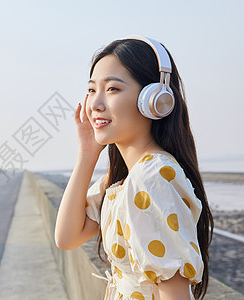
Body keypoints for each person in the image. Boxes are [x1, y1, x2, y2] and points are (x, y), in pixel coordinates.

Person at [54, 36, 214, 300]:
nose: (95, 104)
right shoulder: (126, 180)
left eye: (113, 89)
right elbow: (67, 237)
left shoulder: (152, 177)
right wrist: (87, 152)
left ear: (155, 99)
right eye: (92, 90)